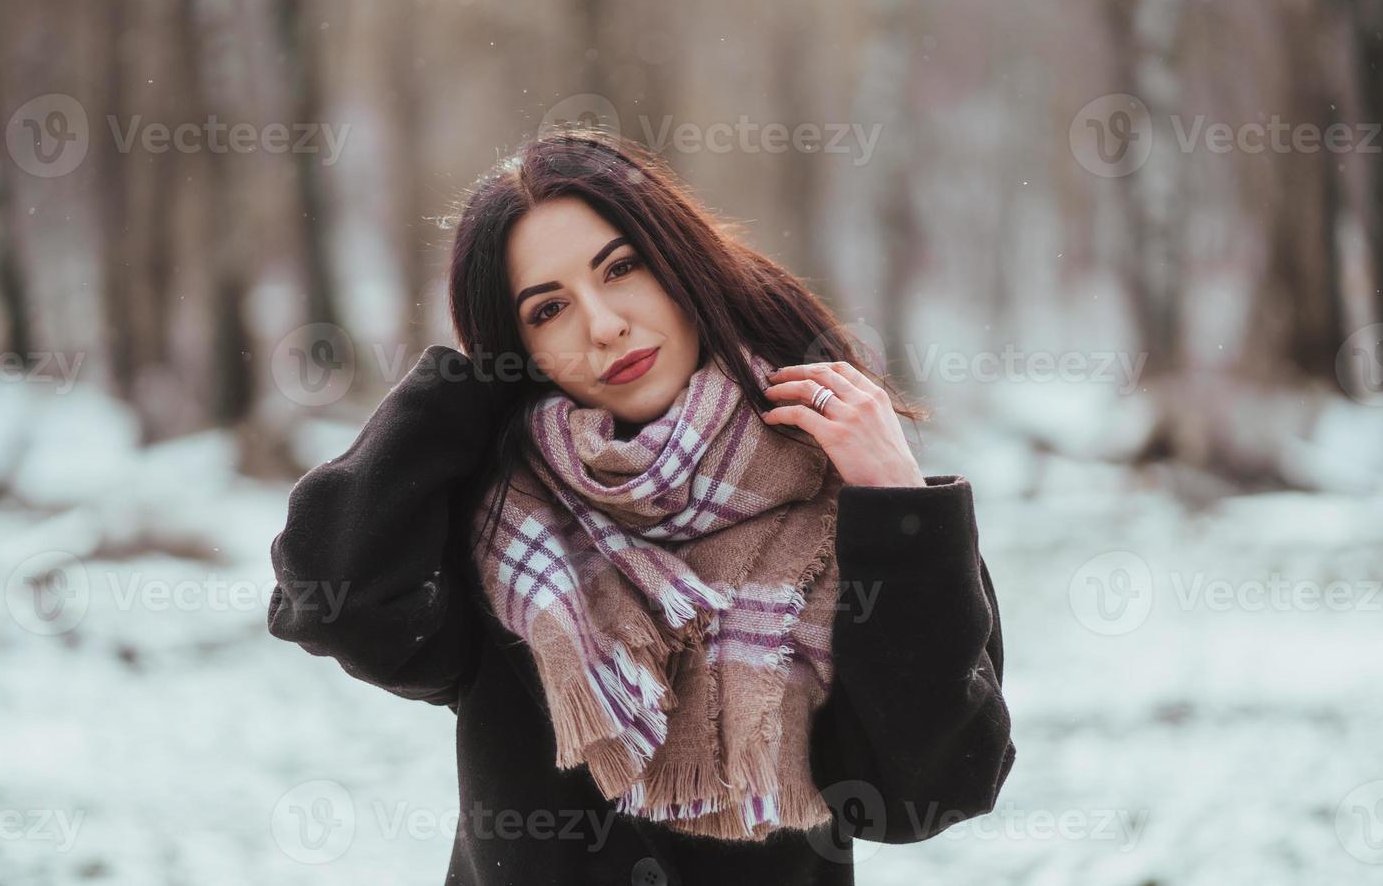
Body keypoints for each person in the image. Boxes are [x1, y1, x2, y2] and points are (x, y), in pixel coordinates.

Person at [267, 130, 1015, 885]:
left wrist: (898, 503)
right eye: (547, 309)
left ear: (681, 262)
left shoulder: (844, 506)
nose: (602, 325)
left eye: (621, 268)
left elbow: (935, 789)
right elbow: (339, 600)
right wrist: (464, 393)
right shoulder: (502, 526)